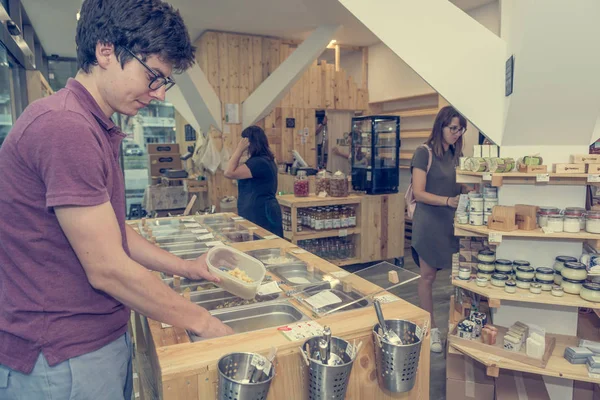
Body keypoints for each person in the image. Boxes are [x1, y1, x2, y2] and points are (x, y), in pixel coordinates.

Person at [0, 0, 233, 398]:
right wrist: (203, 322)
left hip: (86, 343)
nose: (159, 94)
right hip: (59, 356)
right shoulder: (66, 127)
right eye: (153, 77)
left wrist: (187, 268)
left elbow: (112, 232)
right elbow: (107, 268)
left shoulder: (89, 122)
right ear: (106, 50)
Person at [410, 105, 465, 353]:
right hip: (429, 222)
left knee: (459, 278)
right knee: (428, 277)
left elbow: (456, 185)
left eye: (460, 129)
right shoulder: (424, 153)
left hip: (450, 223)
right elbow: (419, 192)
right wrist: (446, 201)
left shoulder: (455, 154)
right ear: (440, 125)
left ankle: (460, 327)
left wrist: (468, 189)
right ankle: (430, 328)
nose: (456, 133)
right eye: (452, 128)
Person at [224, 126, 283, 237]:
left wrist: (238, 150)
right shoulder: (262, 160)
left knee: (265, 247)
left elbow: (228, 172)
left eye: (243, 141)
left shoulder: (259, 162)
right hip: (258, 210)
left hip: (261, 212)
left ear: (249, 143)